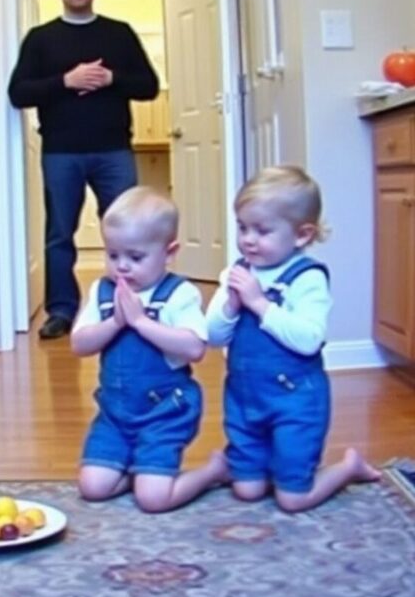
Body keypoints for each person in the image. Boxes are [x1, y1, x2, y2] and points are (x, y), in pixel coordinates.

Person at [205, 166, 380, 513]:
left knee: (292, 499)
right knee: (247, 490)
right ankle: (273, 466)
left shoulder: (307, 278)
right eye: (242, 227)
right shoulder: (236, 273)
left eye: (262, 230)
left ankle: (348, 466)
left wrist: (259, 303)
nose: (248, 239)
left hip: (295, 402)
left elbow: (309, 339)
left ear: (302, 235)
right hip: (244, 398)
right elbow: (213, 337)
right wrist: (231, 304)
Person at [8, 0, 159, 340]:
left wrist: (111, 78)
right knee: (60, 233)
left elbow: (148, 86)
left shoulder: (119, 33)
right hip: (61, 152)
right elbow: (18, 93)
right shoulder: (40, 39)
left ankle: (134, 303)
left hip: (114, 150)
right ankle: (61, 311)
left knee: (130, 231)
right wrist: (66, 80)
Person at [72, 187, 228, 512]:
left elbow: (195, 347)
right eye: (112, 255)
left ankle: (213, 471)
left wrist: (141, 322)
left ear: (169, 253)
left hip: (165, 412)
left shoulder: (178, 294)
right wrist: (114, 321)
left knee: (153, 500)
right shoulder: (103, 291)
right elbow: (79, 344)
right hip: (115, 413)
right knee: (92, 488)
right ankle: (138, 469)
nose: (122, 267)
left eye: (135, 257)